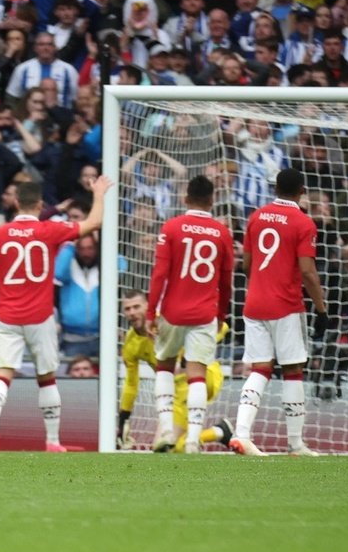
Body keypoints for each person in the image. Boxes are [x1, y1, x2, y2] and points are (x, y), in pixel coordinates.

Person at [0, 176, 113, 452]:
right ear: (40, 205)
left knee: (1, 375)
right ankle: (52, 441)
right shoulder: (51, 230)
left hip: (7, 316)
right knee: (46, 377)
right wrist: (98, 193)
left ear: (15, 203)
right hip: (40, 317)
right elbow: (94, 223)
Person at [229, 168, 327, 457]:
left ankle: (242, 434)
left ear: (275, 188)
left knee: (260, 368)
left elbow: (246, 265)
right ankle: (295, 444)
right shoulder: (304, 222)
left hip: (254, 303)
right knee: (293, 369)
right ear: (302, 190)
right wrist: (321, 309)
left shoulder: (256, 217)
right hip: (285, 305)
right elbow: (308, 272)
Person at [146, 175, 234, 454]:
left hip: (172, 311)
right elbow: (227, 280)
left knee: (165, 366)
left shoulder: (171, 227)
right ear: (212, 200)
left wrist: (151, 311)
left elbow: (160, 273)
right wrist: (221, 313)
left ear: (185, 199)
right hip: (205, 312)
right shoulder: (222, 233)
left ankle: (168, 431)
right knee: (197, 374)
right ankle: (194, 439)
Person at [116, 289, 233, 453]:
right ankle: (219, 432)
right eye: (127, 309)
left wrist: (191, 353)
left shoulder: (167, 320)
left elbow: (223, 328)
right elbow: (131, 384)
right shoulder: (131, 344)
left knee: (168, 446)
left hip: (204, 376)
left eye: (136, 307)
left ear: (148, 306)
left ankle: (217, 433)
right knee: (165, 449)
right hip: (176, 391)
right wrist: (123, 419)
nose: (132, 313)